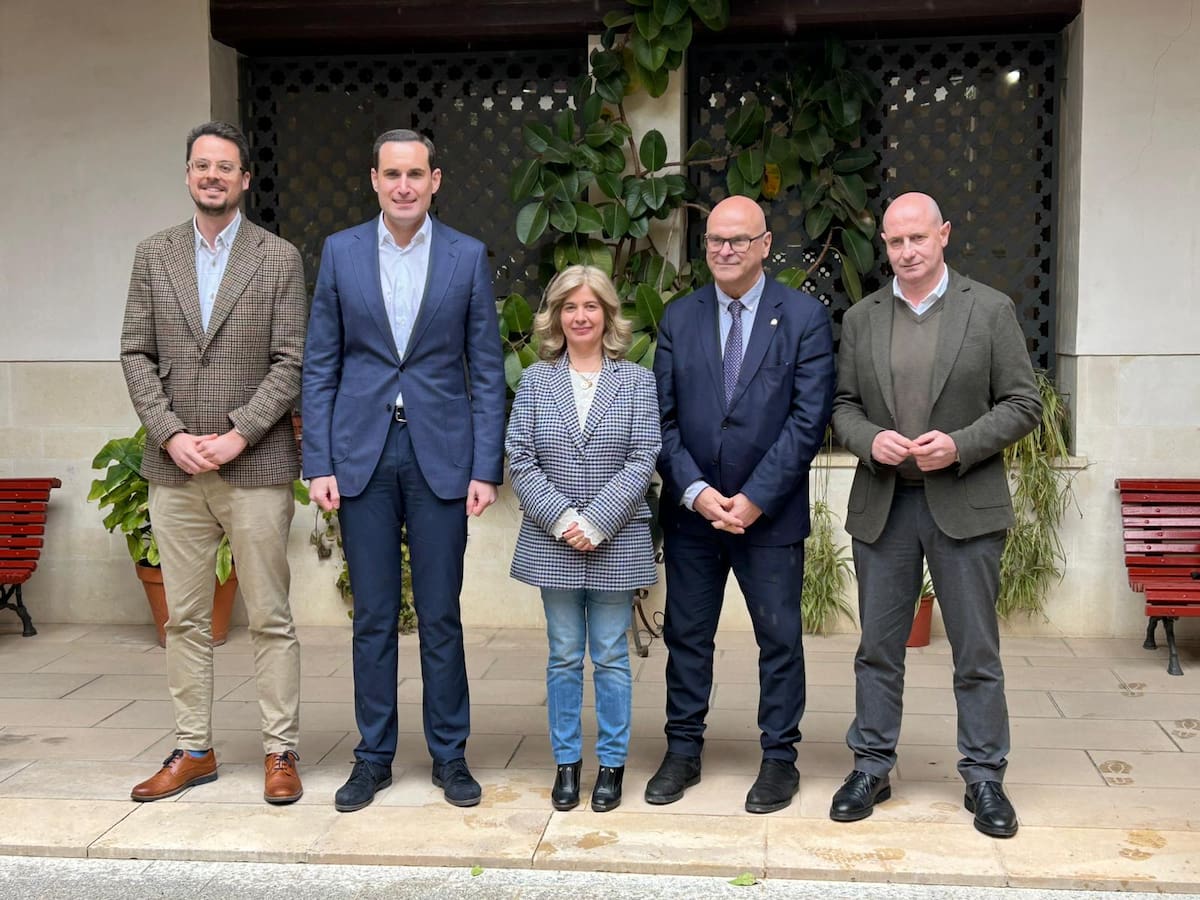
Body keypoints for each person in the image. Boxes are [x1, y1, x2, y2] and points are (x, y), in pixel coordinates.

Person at [302, 129, 506, 812]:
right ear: (374, 178)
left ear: (435, 179)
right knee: (374, 618)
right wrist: (318, 460)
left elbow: (484, 369)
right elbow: (321, 363)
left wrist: (486, 466)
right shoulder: (340, 252)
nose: (404, 186)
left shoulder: (467, 257)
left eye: (415, 173)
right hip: (361, 454)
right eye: (392, 173)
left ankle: (451, 757)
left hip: (440, 456)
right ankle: (372, 758)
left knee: (441, 615)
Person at [829, 191, 1041, 838]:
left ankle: (984, 777)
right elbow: (842, 406)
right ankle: (871, 765)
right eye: (895, 242)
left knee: (976, 651)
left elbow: (1022, 402)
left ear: (943, 235)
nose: (906, 252)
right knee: (877, 650)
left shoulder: (990, 310)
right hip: (886, 505)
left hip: (965, 502)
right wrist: (869, 439)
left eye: (917, 238)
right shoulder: (863, 318)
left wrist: (961, 444)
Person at [121, 121, 306, 805]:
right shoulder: (153, 256)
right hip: (175, 470)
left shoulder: (278, 257)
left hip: (252, 467)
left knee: (270, 615)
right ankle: (192, 747)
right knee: (187, 619)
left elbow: (293, 359)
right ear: (188, 174)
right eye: (202, 165)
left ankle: (279, 750)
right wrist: (170, 435)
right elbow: (135, 353)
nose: (213, 176)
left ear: (245, 180)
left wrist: (238, 435)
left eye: (226, 167)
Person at [649, 195, 835, 814]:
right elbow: (661, 420)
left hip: (770, 515)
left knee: (779, 639)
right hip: (694, 515)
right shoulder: (679, 317)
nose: (724, 251)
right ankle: (682, 751)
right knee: (687, 635)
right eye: (714, 241)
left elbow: (808, 421)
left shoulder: (804, 316)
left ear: (764, 245)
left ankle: (780, 760)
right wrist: (698, 494)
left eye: (737, 240)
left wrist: (755, 499)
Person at [506, 266, 661, 814]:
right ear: (555, 316)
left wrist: (597, 520)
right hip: (554, 542)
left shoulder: (638, 381)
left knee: (613, 658)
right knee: (565, 655)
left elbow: (645, 455)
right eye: (570, 307)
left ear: (608, 314)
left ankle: (612, 766)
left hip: (616, 541)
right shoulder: (535, 381)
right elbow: (519, 457)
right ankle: (567, 764)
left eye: (591, 306)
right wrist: (562, 519)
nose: (580, 316)